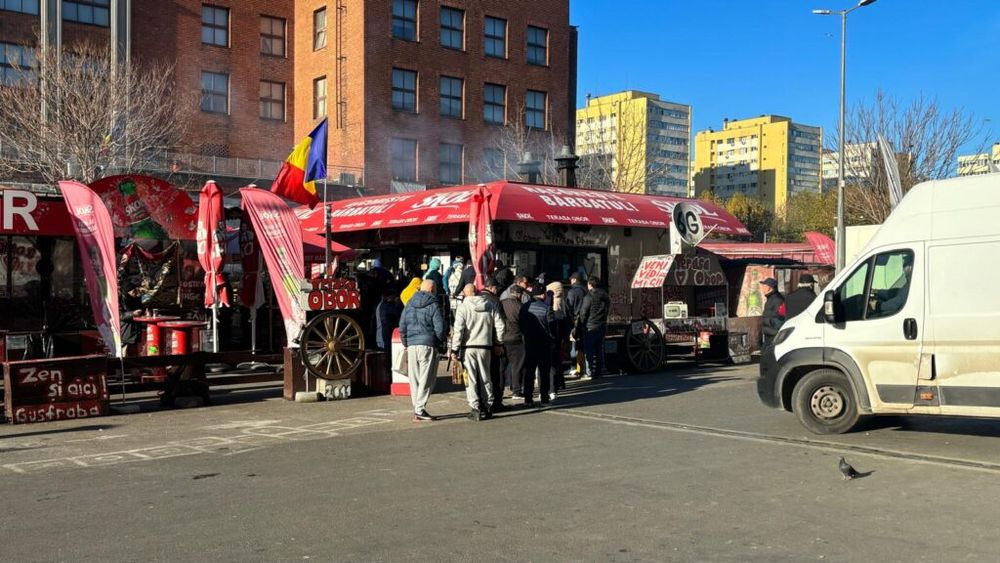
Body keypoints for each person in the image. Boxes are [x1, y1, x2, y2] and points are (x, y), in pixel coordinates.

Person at [451, 284, 506, 421]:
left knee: (470, 379)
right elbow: (500, 325)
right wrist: (498, 343)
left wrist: (454, 349)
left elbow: (459, 330)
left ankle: (475, 408)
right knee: (485, 376)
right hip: (485, 347)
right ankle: (488, 405)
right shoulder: (489, 305)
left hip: (468, 347)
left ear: (465, 293)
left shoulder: (463, 308)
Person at [399, 279, 446, 422]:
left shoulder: (409, 304)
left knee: (414, 379)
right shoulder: (434, 304)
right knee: (427, 378)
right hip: (428, 344)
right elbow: (439, 327)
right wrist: (438, 342)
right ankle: (419, 409)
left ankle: (417, 409)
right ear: (432, 290)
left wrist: (406, 342)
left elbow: (402, 326)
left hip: (412, 345)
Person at [520, 285, 555, 406]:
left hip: (529, 343)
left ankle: (528, 399)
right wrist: (553, 339)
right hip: (544, 343)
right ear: (543, 294)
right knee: (544, 372)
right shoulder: (547, 308)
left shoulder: (524, 308)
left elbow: (520, 324)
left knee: (529, 371)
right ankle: (544, 398)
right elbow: (552, 327)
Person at [478, 278, 508, 412]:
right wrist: (499, 343)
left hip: (475, 343)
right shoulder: (495, 301)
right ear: (492, 288)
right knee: (495, 373)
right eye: (496, 288)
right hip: (492, 343)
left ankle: (480, 402)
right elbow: (500, 324)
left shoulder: (474, 298)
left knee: (479, 374)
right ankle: (496, 402)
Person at [499, 284, 527, 402]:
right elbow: (524, 324)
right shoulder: (520, 307)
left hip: (502, 339)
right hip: (516, 339)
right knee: (518, 366)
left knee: (501, 368)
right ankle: (516, 390)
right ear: (519, 294)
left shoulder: (501, 303)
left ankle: (499, 391)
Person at [579, 277, 610, 378]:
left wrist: (582, 324)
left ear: (590, 285)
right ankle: (599, 370)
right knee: (599, 349)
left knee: (589, 350)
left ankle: (589, 371)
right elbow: (607, 309)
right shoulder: (605, 296)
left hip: (590, 326)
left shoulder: (589, 297)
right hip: (601, 325)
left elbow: (583, 312)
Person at [546, 280, 570, 393]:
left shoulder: (551, 306)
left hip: (553, 338)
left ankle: (554, 385)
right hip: (560, 338)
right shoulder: (562, 303)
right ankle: (561, 382)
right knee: (558, 360)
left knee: (553, 363)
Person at [564, 272, 588, 377]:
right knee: (582, 345)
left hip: (575, 321)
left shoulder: (572, 292)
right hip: (585, 320)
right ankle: (583, 368)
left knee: (573, 345)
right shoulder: (586, 291)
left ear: (574, 280)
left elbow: (569, 307)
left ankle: (574, 367)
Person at [760, 277, 785, 348]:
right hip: (769, 333)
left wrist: (769, 322)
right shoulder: (770, 298)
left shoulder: (777, 299)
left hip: (774, 335)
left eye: (764, 286)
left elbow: (781, 317)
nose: (762, 289)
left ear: (769, 288)